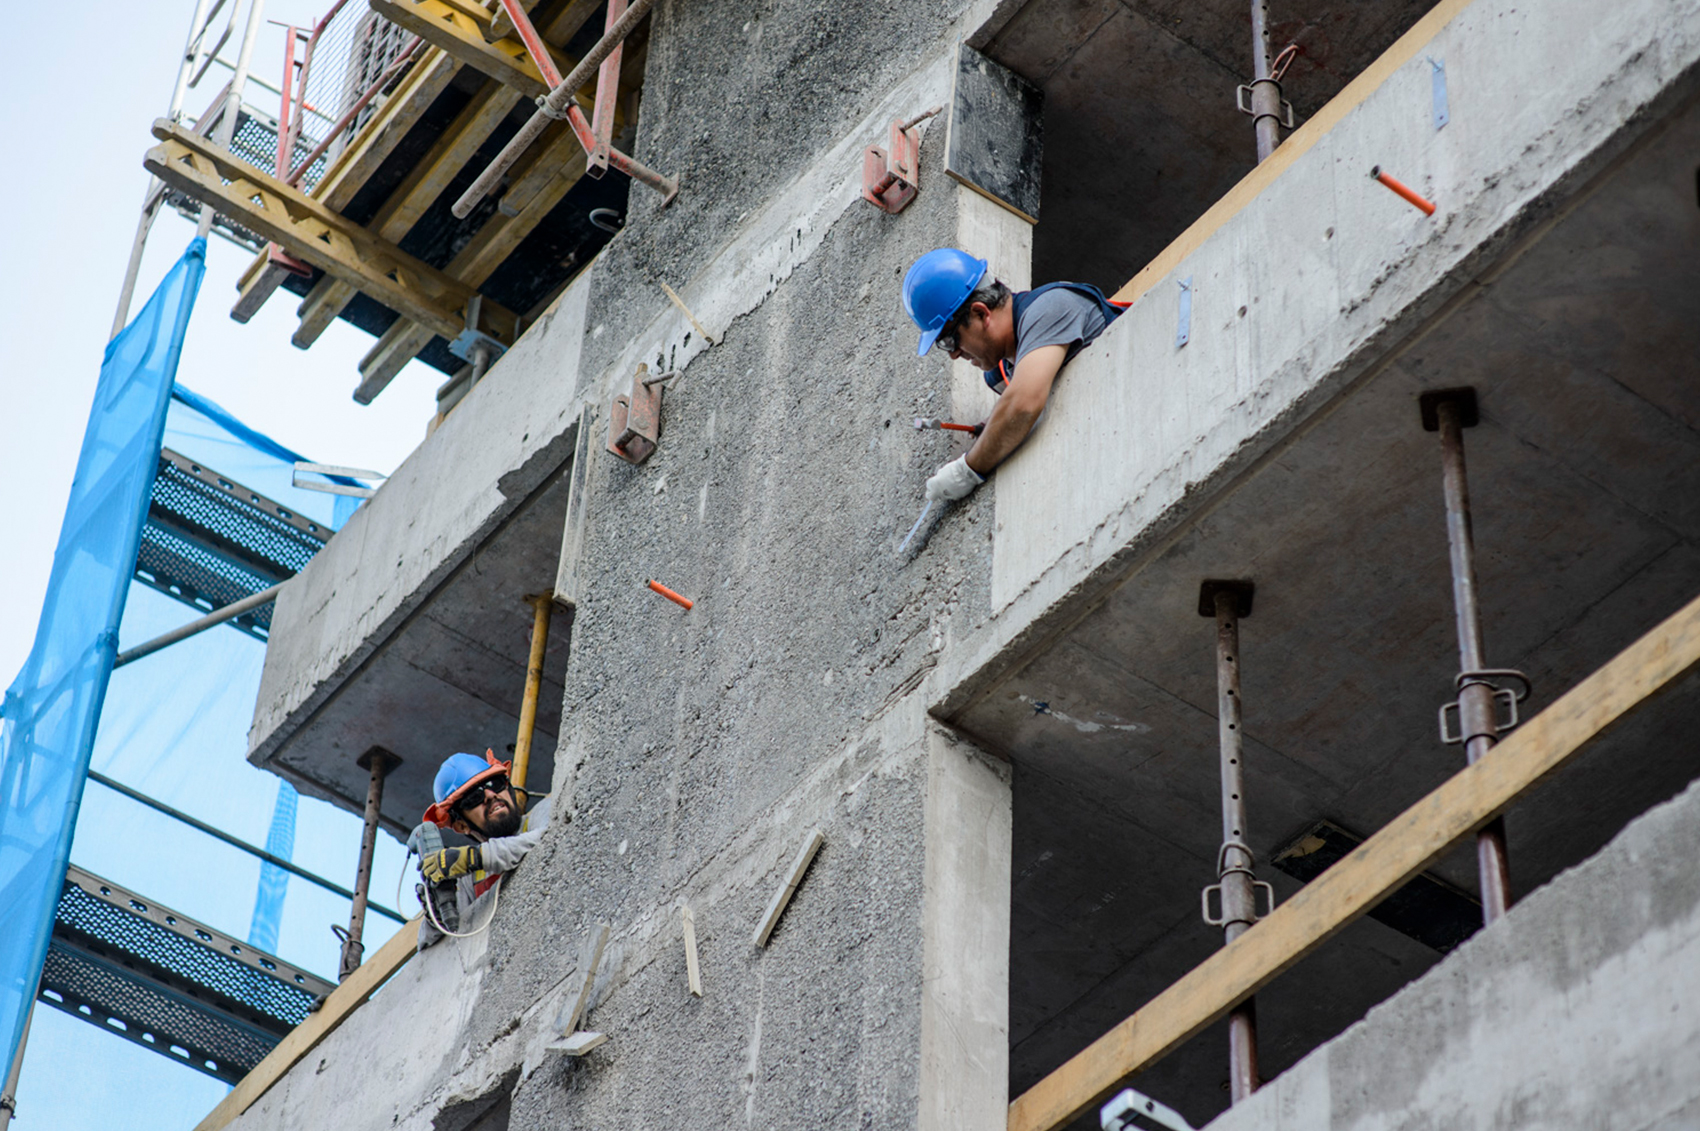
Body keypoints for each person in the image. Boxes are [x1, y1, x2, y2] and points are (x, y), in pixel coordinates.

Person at [902, 248, 1125, 502]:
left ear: (981, 313)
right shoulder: (1000, 376)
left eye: (950, 341)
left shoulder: (1050, 307)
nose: (953, 355)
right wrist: (996, 426)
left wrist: (967, 470)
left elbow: (1022, 405)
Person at [414, 749, 548, 947]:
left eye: (495, 784)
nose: (490, 795)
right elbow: (428, 943)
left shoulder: (543, 812)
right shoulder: (471, 879)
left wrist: (475, 858)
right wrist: (436, 912)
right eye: (473, 797)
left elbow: (551, 837)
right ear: (461, 825)